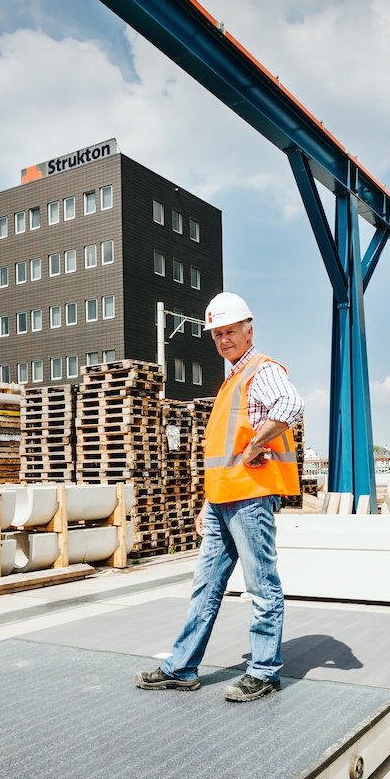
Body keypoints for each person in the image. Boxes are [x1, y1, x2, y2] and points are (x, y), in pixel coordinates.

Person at [134, 291, 303, 702]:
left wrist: (255, 446)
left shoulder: (261, 371)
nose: (223, 340)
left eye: (230, 331)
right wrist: (208, 503)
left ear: (249, 329)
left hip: (250, 498)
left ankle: (263, 671)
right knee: (205, 586)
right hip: (223, 500)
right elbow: (220, 456)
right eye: (217, 334)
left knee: (261, 585)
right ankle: (182, 667)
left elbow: (291, 405)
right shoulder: (232, 380)